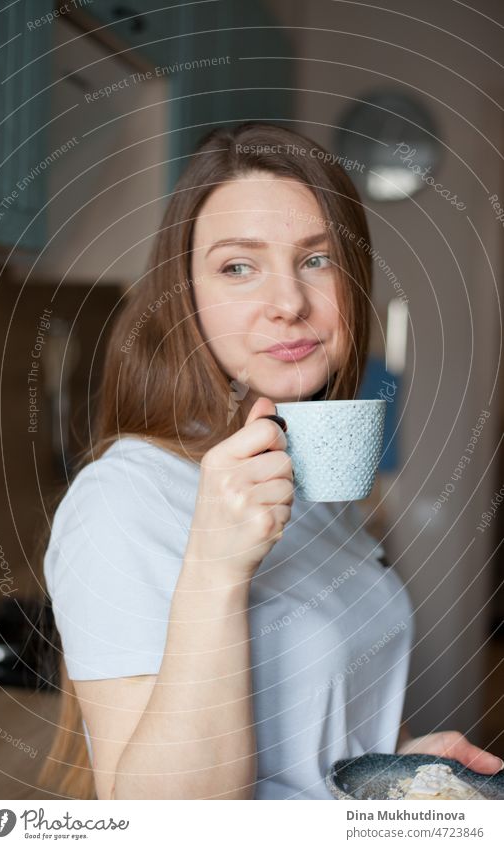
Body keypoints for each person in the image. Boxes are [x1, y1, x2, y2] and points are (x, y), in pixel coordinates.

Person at [39, 121, 504, 800]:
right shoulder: (121, 498)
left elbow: (312, 739)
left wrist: (400, 762)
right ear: (186, 297)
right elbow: (157, 824)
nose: (288, 303)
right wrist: (215, 566)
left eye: (317, 260)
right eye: (238, 266)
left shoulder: (307, 471)